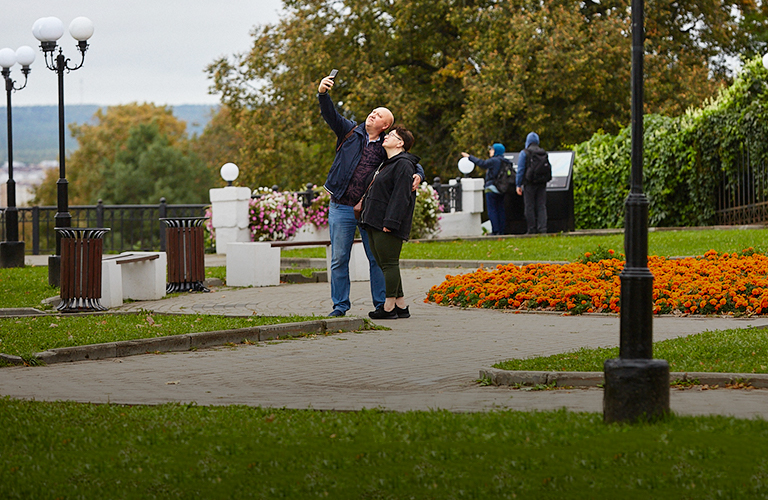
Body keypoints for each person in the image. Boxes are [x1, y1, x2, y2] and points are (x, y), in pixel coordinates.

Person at [317, 72, 424, 317]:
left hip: (368, 210)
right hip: (340, 206)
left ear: (385, 126)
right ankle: (340, 306)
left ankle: (381, 305)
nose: (372, 114)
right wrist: (323, 93)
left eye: (378, 115)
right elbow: (329, 113)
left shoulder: (386, 145)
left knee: (375, 258)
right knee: (339, 259)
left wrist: (420, 173)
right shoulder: (349, 131)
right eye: (372, 111)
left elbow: (406, 160)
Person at [359, 126, 419, 319]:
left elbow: (401, 197)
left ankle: (388, 307)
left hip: (387, 222)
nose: (387, 137)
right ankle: (401, 306)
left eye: (391, 135)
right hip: (374, 220)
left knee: (389, 264)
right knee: (384, 262)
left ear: (400, 143)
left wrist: (391, 221)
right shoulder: (387, 163)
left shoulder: (404, 164)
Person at [461, 143, 512, 235]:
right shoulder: (506, 162)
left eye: (492, 149)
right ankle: (501, 230)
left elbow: (482, 163)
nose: (490, 151)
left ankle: (495, 230)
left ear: (496, 151)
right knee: (500, 209)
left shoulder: (494, 161)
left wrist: (470, 157)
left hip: (492, 188)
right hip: (502, 189)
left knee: (492, 210)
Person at [516, 132, 548, 234]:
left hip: (529, 183)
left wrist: (518, 184)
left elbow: (520, 170)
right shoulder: (543, 152)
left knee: (529, 206)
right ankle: (542, 228)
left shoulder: (524, 153)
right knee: (541, 206)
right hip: (542, 182)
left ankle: (531, 229)